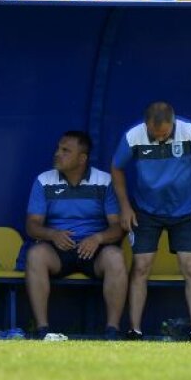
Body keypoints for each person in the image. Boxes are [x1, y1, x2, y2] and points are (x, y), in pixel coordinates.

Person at [111, 102, 191, 341]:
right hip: (146, 210)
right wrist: (125, 207)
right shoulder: (133, 136)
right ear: (146, 125)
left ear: (173, 123)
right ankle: (135, 329)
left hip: (186, 210)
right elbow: (116, 167)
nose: (160, 138)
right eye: (155, 134)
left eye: (164, 134)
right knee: (141, 266)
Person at [22, 131, 126, 341]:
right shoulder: (44, 180)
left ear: (82, 158)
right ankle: (42, 330)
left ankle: (112, 331)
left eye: (65, 151)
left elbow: (119, 227)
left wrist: (97, 239)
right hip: (58, 249)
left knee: (115, 257)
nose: (57, 154)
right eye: (58, 149)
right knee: (36, 255)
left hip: (94, 250)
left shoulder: (104, 181)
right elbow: (32, 225)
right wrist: (52, 234)